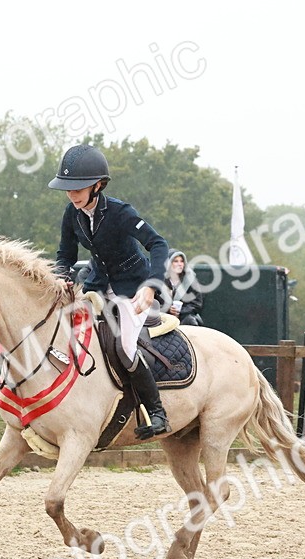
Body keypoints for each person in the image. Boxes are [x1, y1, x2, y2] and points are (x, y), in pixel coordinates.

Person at [49, 144, 171, 439]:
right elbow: (65, 254)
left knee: (124, 347)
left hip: (134, 290)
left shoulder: (120, 212)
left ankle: (157, 413)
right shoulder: (72, 213)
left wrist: (152, 286)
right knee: (64, 328)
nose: (72, 194)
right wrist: (61, 275)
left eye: (78, 188)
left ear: (98, 185)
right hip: (97, 285)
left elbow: (158, 244)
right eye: (68, 188)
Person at [158, 250, 203, 326]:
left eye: (182, 261)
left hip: (184, 318)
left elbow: (197, 304)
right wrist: (168, 309)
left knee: (190, 321)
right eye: (176, 261)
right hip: (163, 317)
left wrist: (180, 311)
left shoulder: (191, 280)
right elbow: (153, 302)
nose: (180, 264)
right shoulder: (159, 280)